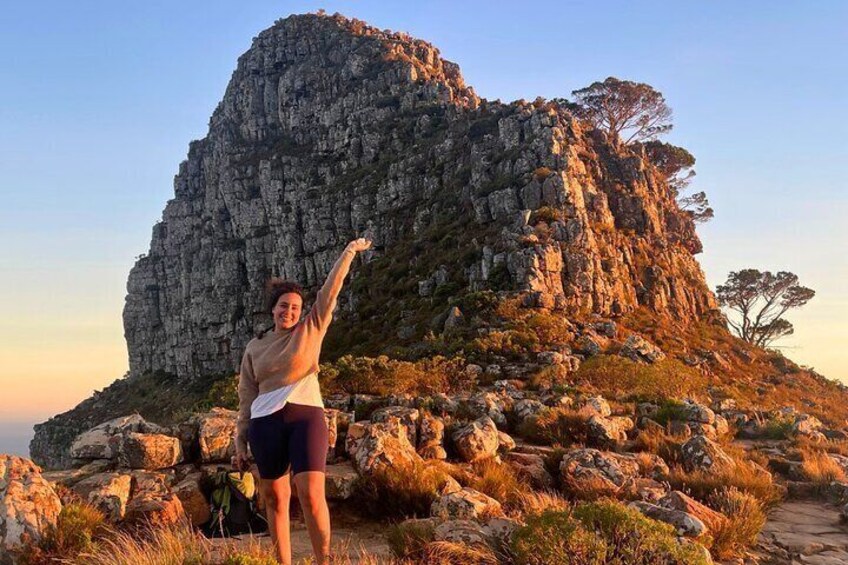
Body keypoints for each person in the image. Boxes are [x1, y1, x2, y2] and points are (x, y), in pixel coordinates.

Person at [233, 237, 372, 565]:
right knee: (276, 500)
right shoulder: (255, 347)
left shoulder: (312, 327)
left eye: (295, 307)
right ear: (273, 309)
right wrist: (240, 439)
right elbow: (246, 396)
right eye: (284, 306)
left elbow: (331, 290)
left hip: (306, 417)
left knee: (311, 494)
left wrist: (349, 251)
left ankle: (323, 560)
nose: (289, 311)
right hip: (265, 424)